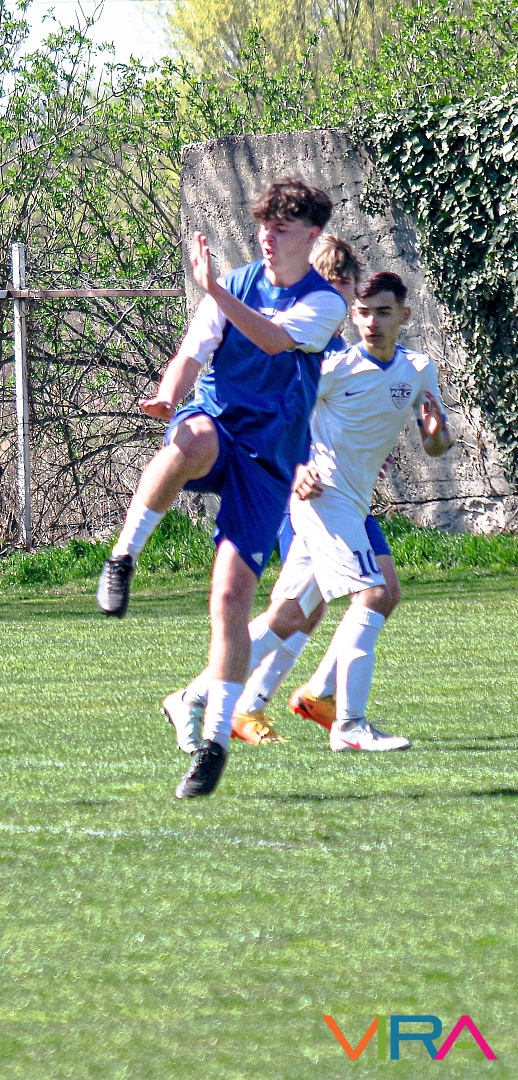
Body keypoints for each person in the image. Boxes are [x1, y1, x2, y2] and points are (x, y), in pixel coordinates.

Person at [96, 177, 348, 798]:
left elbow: (272, 339)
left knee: (232, 599)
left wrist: (212, 288)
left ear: (312, 235)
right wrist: (168, 394)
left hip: (269, 462)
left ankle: (212, 742)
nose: (267, 238)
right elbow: (192, 353)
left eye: (281, 229)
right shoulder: (234, 283)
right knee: (191, 439)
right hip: (218, 426)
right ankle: (123, 556)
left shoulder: (325, 304)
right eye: (263, 227)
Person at [231, 272, 449, 751]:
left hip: (355, 502)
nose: (372, 322)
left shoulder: (418, 369)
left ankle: (203, 695)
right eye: (364, 312)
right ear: (352, 314)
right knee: (371, 595)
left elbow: (436, 445)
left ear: (404, 315)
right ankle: (348, 724)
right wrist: (297, 468)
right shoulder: (335, 366)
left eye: (383, 312)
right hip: (321, 497)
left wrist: (436, 434)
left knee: (299, 612)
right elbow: (281, 419)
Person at [165, 233, 367, 746]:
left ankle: (256, 702)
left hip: (331, 493)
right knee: (306, 606)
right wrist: (300, 465)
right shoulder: (299, 346)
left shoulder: (336, 348)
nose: (342, 297)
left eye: (346, 285)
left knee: (310, 607)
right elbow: (282, 416)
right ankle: (218, 699)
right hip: (292, 494)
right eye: (335, 284)